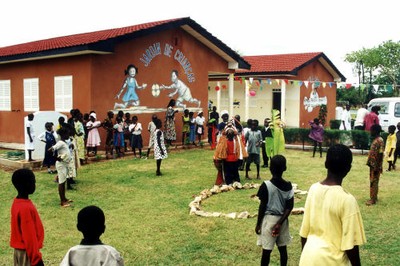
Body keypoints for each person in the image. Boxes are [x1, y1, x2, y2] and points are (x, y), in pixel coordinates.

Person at [299, 144, 366, 265]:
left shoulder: (313, 189)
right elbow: (351, 245)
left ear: (325, 164)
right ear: (348, 168)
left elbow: (304, 232)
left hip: (308, 257)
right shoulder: (347, 200)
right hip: (332, 261)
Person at [255, 155, 294, 266]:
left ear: (270, 168)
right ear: (285, 168)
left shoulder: (265, 185)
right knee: (283, 250)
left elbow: (262, 207)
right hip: (283, 220)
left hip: (268, 220)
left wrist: (258, 224)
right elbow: (289, 207)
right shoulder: (288, 186)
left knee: (266, 252)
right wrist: (280, 223)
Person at [10, 169, 45, 266]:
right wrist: (36, 259)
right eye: (33, 181)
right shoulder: (25, 208)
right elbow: (29, 237)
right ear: (26, 184)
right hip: (27, 253)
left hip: (20, 252)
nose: (35, 184)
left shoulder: (17, 202)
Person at [49, 127, 73, 207]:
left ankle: (64, 198)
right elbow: (51, 149)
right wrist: (56, 158)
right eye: (67, 134)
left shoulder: (64, 142)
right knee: (61, 182)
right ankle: (62, 201)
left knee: (63, 181)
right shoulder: (60, 143)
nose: (68, 135)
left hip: (65, 164)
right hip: (61, 165)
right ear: (63, 134)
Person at [366, 124, 384, 205]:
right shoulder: (376, 140)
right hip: (373, 164)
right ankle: (374, 197)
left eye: (371, 130)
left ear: (375, 131)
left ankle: (372, 199)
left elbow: (380, 154)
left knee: (373, 181)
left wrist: (377, 166)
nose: (370, 132)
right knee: (373, 181)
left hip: (375, 165)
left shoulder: (379, 140)